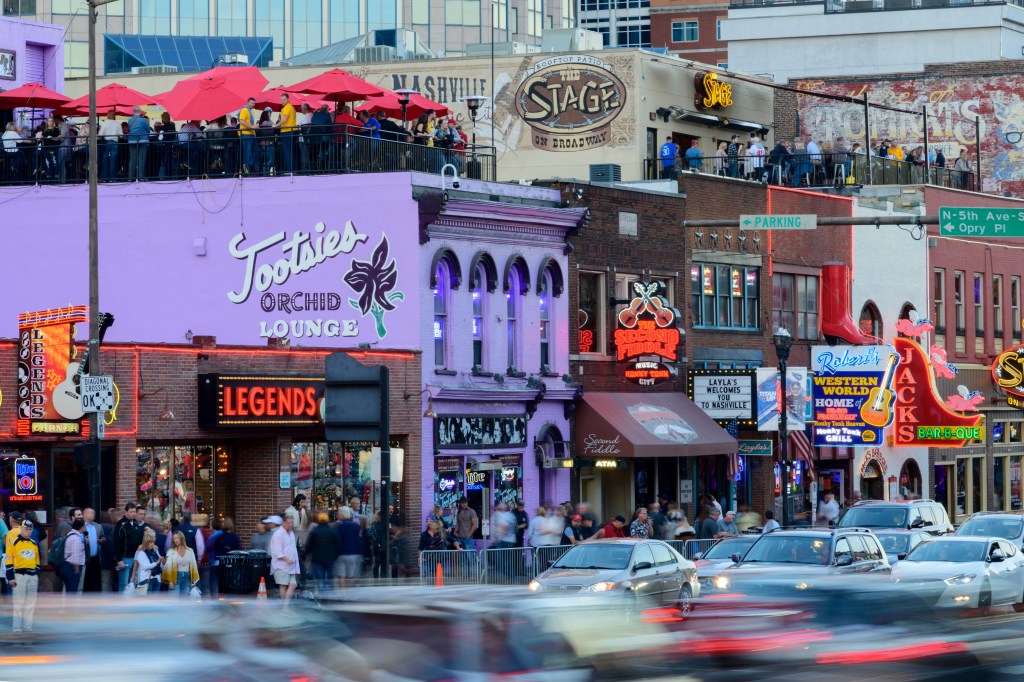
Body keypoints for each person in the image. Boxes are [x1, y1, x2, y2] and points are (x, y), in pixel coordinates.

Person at [6, 518, 40, 633]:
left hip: (32, 576)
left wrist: (36, 575)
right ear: (21, 528)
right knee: (19, 604)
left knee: (30, 604)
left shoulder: (33, 543)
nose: (28, 531)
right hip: (19, 576)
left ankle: (27, 629)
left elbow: (37, 562)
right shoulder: (14, 542)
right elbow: (9, 560)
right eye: (26, 529)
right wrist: (10, 577)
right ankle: (17, 630)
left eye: (30, 529)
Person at [113, 502, 145, 592]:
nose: (133, 514)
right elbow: (116, 543)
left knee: (133, 583)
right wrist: (119, 560)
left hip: (135, 559)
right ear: (126, 512)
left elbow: (140, 541)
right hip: (125, 559)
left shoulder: (135, 524)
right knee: (123, 584)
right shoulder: (120, 525)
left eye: (134, 512)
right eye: (131, 512)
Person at [305, 511, 339, 594]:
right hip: (330, 559)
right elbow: (338, 545)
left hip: (317, 559)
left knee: (319, 578)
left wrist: (304, 554)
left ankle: (322, 593)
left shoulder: (315, 532)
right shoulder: (332, 531)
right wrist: (335, 556)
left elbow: (309, 545)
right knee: (330, 578)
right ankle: (329, 593)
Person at [270, 515, 300, 605]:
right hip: (281, 565)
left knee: (293, 585)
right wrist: (286, 559)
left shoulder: (291, 533)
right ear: (283, 523)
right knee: (283, 585)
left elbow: (292, 548)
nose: (291, 525)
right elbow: (277, 551)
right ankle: (285, 607)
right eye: (289, 523)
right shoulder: (278, 534)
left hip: (291, 565)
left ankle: (285, 606)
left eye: (292, 523)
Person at [208, 517, 240, 598]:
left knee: (215, 581)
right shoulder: (235, 537)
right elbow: (238, 550)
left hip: (219, 562)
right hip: (232, 562)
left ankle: (215, 597)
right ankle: (229, 597)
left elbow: (212, 548)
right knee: (230, 581)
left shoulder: (219, 537)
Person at [162, 530, 199, 597]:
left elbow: (194, 567)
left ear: (182, 539)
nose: (176, 540)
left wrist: (194, 583)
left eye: (177, 538)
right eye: (174, 538)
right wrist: (170, 582)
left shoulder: (190, 551)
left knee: (184, 602)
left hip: (187, 578)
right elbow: (168, 567)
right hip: (175, 578)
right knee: (174, 601)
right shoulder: (171, 551)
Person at [334, 506, 362, 588]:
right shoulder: (356, 526)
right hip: (354, 554)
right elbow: (359, 540)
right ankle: (350, 591)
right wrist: (361, 553)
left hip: (341, 554)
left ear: (342, 515)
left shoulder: (339, 526)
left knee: (341, 575)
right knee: (351, 575)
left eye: (338, 514)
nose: (337, 515)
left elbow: (336, 540)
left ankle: (343, 593)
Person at [129, 528, 163, 595]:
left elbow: (159, 563)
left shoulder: (155, 548)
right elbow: (136, 563)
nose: (154, 539)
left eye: (154, 537)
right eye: (152, 537)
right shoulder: (140, 548)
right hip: (144, 575)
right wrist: (133, 576)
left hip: (155, 576)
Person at [61, 518, 86, 594]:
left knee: (69, 590)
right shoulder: (76, 538)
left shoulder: (69, 534)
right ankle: (70, 606)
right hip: (72, 567)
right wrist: (76, 570)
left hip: (66, 566)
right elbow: (75, 557)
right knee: (72, 592)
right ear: (82, 527)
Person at [125, 106, 151, 180]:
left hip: (132, 140)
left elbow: (129, 129)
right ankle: (141, 177)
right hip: (143, 140)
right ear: (139, 112)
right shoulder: (143, 120)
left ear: (133, 112)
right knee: (141, 159)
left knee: (132, 159)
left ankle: (130, 177)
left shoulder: (129, 120)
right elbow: (148, 130)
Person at [82, 507, 104, 592]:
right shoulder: (81, 526)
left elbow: (103, 537)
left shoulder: (98, 526)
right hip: (85, 557)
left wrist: (102, 540)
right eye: (91, 513)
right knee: (86, 581)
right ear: (84, 515)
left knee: (96, 579)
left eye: (94, 513)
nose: (93, 515)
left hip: (96, 557)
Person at [276, 93, 298, 174]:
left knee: (287, 152)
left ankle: (290, 170)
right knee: (291, 152)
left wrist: (276, 125)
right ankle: (293, 170)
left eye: (284, 99)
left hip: (286, 131)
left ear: (288, 99)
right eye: (281, 100)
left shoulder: (286, 108)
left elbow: (284, 119)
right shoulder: (292, 107)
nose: (282, 101)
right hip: (292, 131)